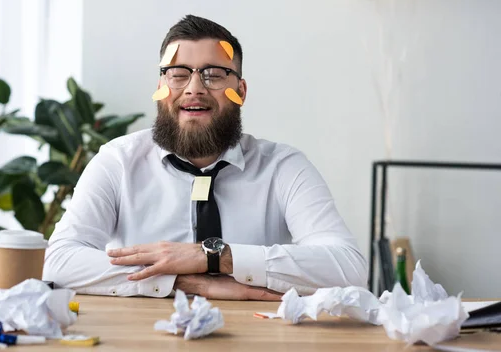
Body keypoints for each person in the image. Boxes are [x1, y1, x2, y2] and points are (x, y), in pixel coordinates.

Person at [42, 15, 367, 300]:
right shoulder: (117, 162)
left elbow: (347, 267)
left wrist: (215, 258)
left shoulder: (284, 167)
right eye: (178, 74)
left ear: (240, 91)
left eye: (213, 74)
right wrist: (183, 281)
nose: (194, 88)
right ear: (161, 86)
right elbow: (59, 262)